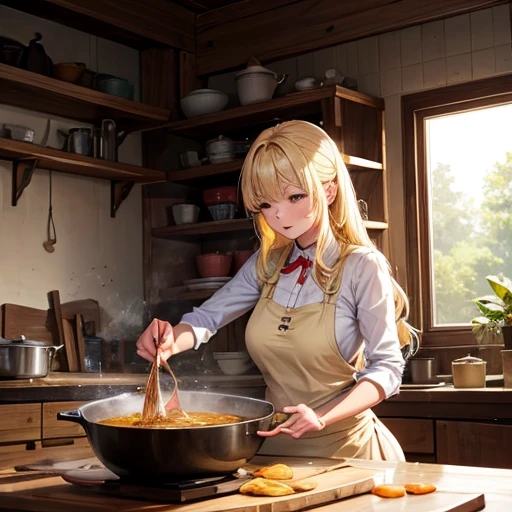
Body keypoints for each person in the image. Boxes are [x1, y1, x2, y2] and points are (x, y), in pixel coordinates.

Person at [136, 119, 417, 461]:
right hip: (275, 449)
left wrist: (322, 417)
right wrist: (169, 342)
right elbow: (207, 318)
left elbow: (387, 368)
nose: (279, 216)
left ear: (328, 190)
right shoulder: (267, 263)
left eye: (294, 197)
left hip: (350, 452)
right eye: (266, 205)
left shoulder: (361, 265)